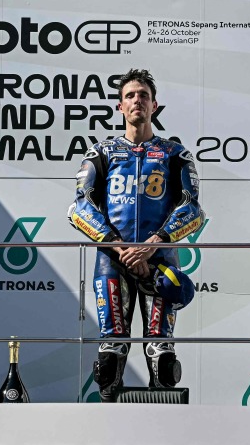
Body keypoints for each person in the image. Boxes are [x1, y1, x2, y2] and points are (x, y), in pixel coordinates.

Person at [68, 69, 205, 402]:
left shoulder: (175, 154)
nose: (137, 101)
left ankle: (165, 426)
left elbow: (193, 210)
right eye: (130, 96)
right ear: (120, 106)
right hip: (112, 263)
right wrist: (121, 249)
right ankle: (109, 425)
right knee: (110, 357)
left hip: (160, 264)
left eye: (143, 95)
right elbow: (78, 208)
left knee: (163, 357)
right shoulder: (100, 152)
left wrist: (152, 245)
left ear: (154, 105)